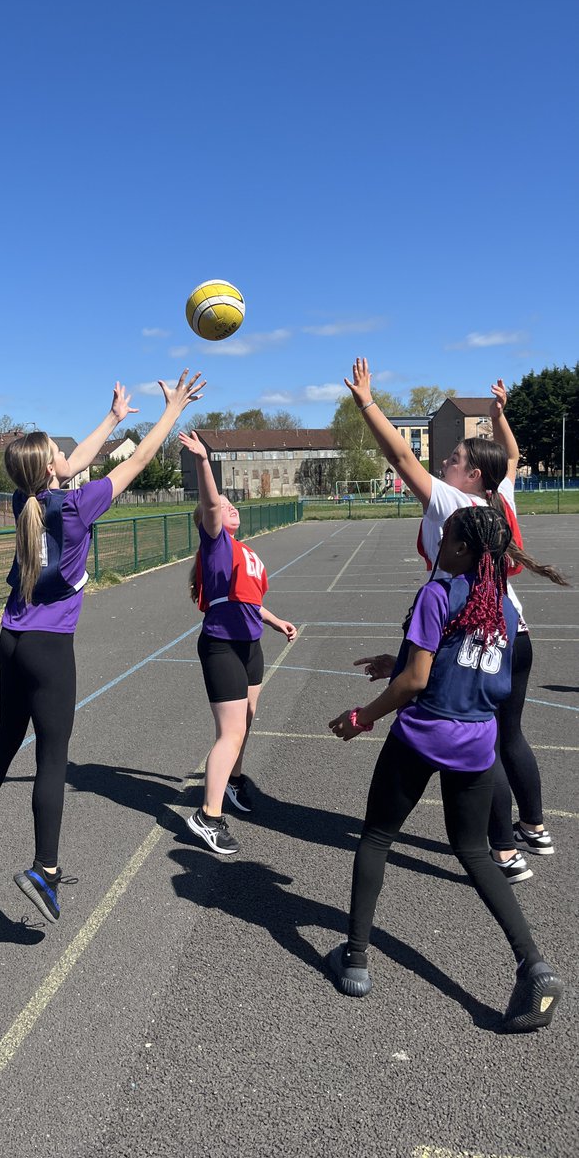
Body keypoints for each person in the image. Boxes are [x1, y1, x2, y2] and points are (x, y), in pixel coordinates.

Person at [0, 371, 206, 923]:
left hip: (11, 637)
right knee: (51, 758)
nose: (66, 459)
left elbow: (68, 464)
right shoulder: (76, 505)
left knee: (6, 734)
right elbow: (135, 465)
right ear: (49, 469)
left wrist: (113, 418)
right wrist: (171, 411)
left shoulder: (25, 502)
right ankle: (45, 867)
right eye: (57, 457)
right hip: (49, 647)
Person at [326, 506, 563, 1032]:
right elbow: (458, 665)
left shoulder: (438, 593)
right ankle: (533, 963)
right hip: (477, 743)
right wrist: (403, 661)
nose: (438, 538)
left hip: (423, 734)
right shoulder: (500, 607)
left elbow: (417, 682)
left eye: (446, 534)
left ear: (458, 549)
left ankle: (357, 958)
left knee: (377, 837)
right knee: (476, 852)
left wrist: (361, 718)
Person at [344, 359, 567, 882]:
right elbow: (510, 456)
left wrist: (367, 404)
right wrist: (497, 415)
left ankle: (505, 851)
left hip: (469, 635)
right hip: (513, 631)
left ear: (473, 475)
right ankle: (532, 828)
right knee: (504, 736)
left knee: (479, 743)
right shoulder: (499, 495)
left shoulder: (454, 501)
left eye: (456, 456)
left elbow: (399, 454)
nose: (446, 459)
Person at [180, 429, 297, 856]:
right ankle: (207, 817)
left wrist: (275, 619)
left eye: (233, 505)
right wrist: (202, 460)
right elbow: (211, 502)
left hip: (250, 642)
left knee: (246, 720)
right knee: (230, 732)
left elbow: (247, 602)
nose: (230, 507)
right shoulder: (215, 543)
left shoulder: (246, 552)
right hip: (222, 644)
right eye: (223, 506)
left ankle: (231, 781)